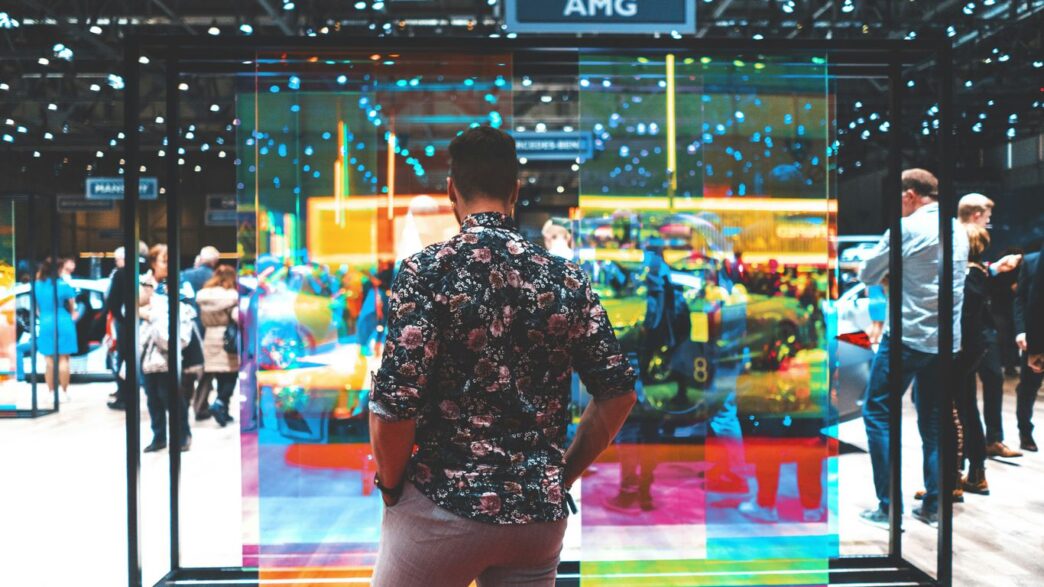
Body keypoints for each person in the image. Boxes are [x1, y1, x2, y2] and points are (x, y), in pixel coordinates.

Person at [368, 126, 637, 587]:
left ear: (451, 191)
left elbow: (394, 406)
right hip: (536, 520)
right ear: (515, 191)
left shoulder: (426, 271)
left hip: (441, 507)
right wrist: (558, 477)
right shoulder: (566, 278)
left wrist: (392, 488)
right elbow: (618, 394)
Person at [856, 169, 969, 529]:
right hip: (945, 343)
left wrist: (892, 274)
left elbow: (867, 274)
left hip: (906, 338)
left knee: (877, 413)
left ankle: (889, 508)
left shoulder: (906, 229)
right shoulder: (957, 230)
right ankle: (934, 507)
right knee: (934, 423)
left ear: (909, 194)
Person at [957, 193, 1023, 458]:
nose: (988, 222)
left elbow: (974, 273)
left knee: (993, 377)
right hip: (966, 328)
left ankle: (991, 440)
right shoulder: (958, 239)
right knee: (964, 392)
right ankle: (967, 448)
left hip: (982, 325)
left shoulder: (972, 244)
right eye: (987, 217)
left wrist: (993, 269)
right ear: (977, 215)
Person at [140, 244, 194, 453]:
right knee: (152, 397)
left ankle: (182, 436)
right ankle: (159, 436)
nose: (168, 265)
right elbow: (130, 307)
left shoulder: (179, 283)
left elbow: (186, 307)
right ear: (153, 262)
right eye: (164, 260)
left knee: (172, 396)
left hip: (170, 346)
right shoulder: (143, 282)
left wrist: (151, 311)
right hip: (146, 348)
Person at [104, 241, 148, 411]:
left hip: (126, 324)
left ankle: (124, 396)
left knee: (123, 358)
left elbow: (112, 300)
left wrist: (120, 318)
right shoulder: (147, 271)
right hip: (148, 321)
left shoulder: (121, 274)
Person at [196, 265, 239, 426]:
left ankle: (224, 412)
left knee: (220, 376)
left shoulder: (204, 297)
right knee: (230, 376)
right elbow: (237, 317)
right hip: (227, 338)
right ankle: (220, 403)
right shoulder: (231, 298)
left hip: (209, 338)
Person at [182, 245, 221, 421]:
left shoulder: (185, 275)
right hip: (209, 329)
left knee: (188, 369)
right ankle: (200, 405)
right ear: (215, 261)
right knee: (207, 370)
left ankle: (184, 404)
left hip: (188, 327)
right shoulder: (217, 279)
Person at [33, 257, 78, 402]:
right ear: (59, 268)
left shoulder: (37, 285)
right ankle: (63, 393)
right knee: (64, 359)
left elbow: (37, 310)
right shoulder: (63, 284)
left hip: (46, 321)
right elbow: (73, 307)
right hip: (63, 321)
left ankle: (51, 393)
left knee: (49, 360)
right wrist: (71, 314)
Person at [1014, 243, 1043, 452]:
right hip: (1034, 335)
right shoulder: (1031, 261)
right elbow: (1020, 300)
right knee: (1028, 388)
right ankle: (1025, 431)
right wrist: (1021, 331)